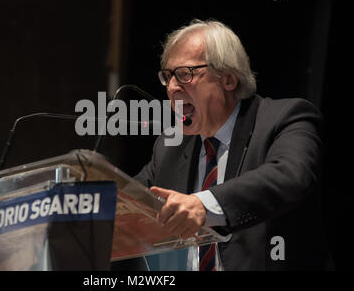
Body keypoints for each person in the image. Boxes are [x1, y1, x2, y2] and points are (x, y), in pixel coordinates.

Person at [132, 19, 332, 270]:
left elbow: (291, 176)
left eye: (185, 74)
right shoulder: (170, 146)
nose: (172, 88)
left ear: (228, 79)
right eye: (167, 76)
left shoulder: (286, 118)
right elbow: (131, 199)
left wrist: (204, 205)